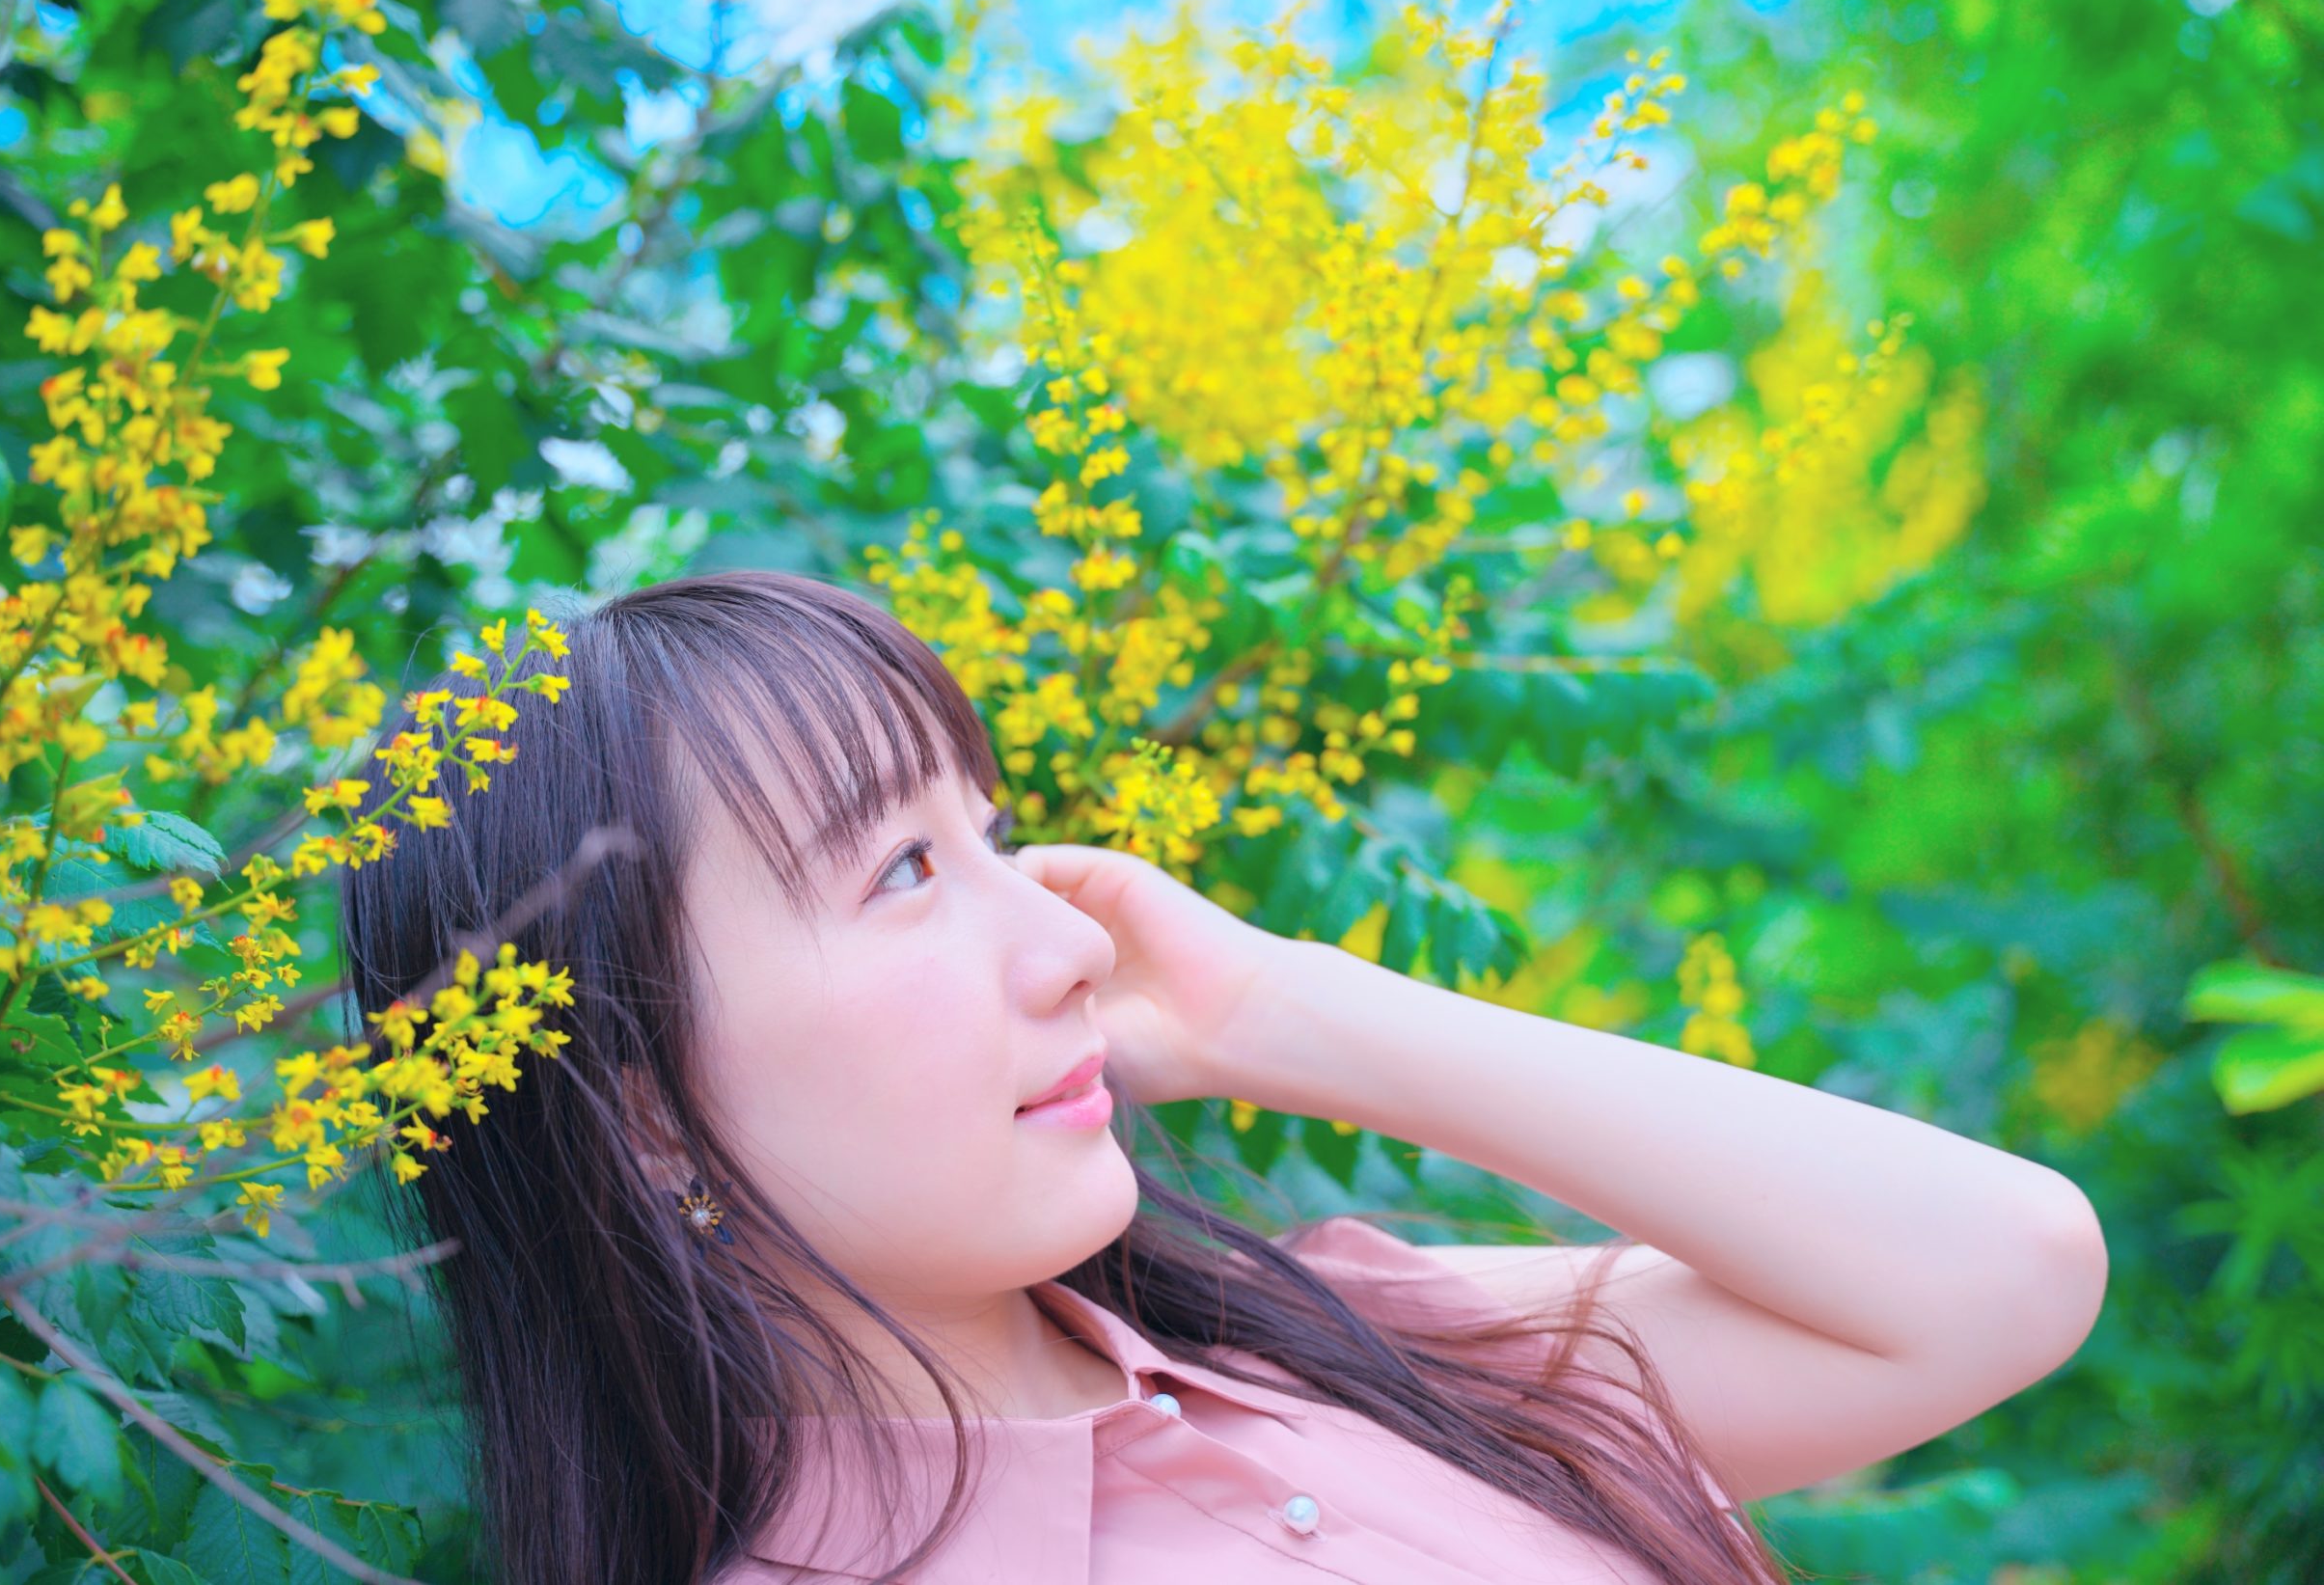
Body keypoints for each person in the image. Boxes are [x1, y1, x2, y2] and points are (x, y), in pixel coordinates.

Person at [337, 569, 2107, 1583]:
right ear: (646, 1114)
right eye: (901, 870)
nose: (1068, 940)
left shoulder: (1328, 1345)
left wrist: (1280, 1010)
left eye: (995, 838)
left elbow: (2001, 1273)